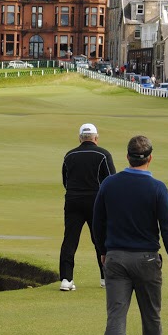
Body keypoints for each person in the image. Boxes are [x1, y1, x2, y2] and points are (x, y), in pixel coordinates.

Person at [92, 135, 168, 335]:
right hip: (146, 259)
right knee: (151, 316)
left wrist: (102, 252)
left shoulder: (109, 184)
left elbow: (97, 222)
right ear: (150, 158)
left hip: (116, 259)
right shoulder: (157, 188)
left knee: (116, 318)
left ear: (127, 157)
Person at [58, 123, 117, 291]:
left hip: (72, 201)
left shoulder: (69, 155)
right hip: (96, 202)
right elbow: (111, 180)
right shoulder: (103, 154)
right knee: (100, 239)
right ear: (96, 138)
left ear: (80, 138)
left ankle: (66, 279)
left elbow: (66, 181)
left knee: (70, 239)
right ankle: (106, 277)